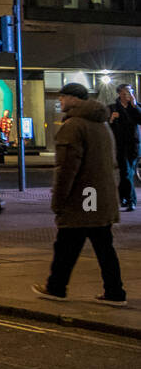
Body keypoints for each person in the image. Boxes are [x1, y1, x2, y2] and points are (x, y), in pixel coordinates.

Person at [34, 82, 126, 306]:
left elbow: (66, 168)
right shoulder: (102, 125)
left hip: (81, 197)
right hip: (99, 196)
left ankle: (56, 287)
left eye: (63, 97)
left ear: (75, 99)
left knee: (67, 243)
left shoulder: (74, 126)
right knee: (102, 245)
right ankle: (114, 292)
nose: (60, 101)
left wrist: (58, 200)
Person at [108, 83, 141, 212]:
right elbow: (107, 126)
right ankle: (131, 201)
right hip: (120, 145)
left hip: (134, 145)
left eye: (130, 91)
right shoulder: (112, 108)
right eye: (126, 91)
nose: (128, 94)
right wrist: (111, 119)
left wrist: (134, 105)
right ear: (120, 93)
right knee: (127, 172)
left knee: (127, 173)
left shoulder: (136, 107)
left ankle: (123, 198)